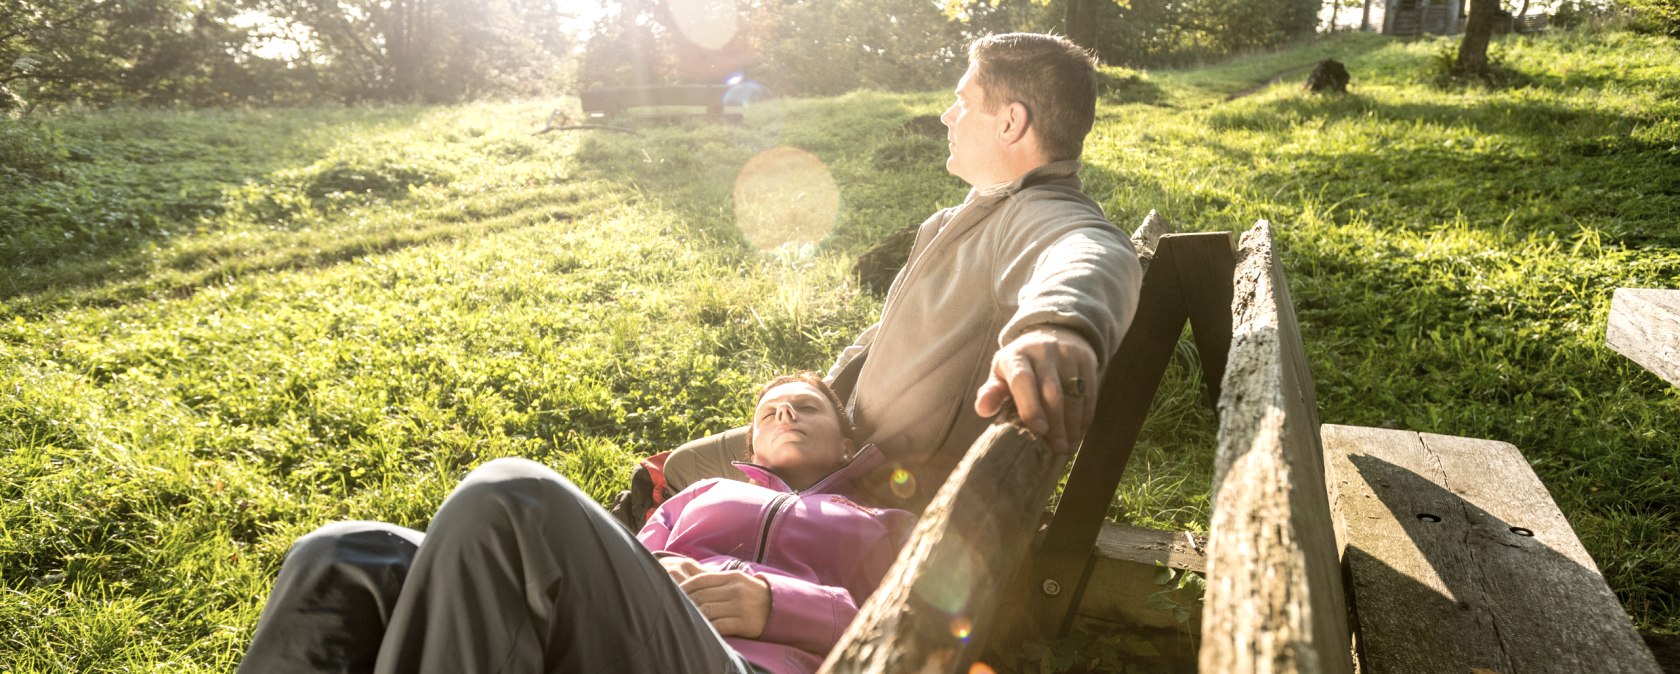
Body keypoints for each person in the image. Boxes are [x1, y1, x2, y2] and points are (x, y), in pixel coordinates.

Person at [660, 32, 1143, 513]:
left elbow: (1092, 247)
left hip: (878, 486)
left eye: (963, 102)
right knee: (677, 465)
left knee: (678, 477)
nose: (946, 115)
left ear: (1010, 122)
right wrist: (821, 397)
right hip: (846, 433)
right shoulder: (951, 221)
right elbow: (886, 332)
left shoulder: (1035, 211)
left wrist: (1059, 325)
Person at [238, 373, 914, 674]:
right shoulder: (695, 493)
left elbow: (916, 630)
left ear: (848, 445)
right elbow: (607, 577)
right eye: (770, 411)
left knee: (511, 498)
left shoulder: (883, 523)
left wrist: (779, 606)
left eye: (806, 408)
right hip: (637, 643)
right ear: (749, 448)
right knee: (347, 553)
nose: (786, 415)